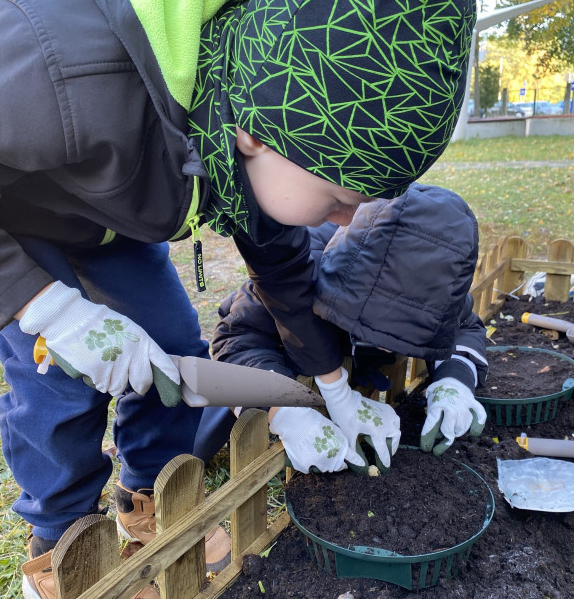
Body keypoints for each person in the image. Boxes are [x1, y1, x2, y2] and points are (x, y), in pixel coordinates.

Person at [0, 0, 476, 599]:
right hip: (15, 221)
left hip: (104, 216)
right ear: (256, 136)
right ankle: (60, 542)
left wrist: (333, 387)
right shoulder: (55, 67)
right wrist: (44, 305)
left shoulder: (255, 112)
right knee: (60, 384)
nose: (346, 223)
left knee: (169, 343)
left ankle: (149, 496)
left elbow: (285, 276)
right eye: (340, 200)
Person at [199, 183, 488, 471]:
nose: (386, 347)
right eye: (374, 328)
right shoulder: (299, 274)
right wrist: (284, 412)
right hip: (282, 361)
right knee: (212, 428)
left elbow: (464, 328)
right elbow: (235, 341)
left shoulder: (439, 300)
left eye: (399, 337)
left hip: (349, 365)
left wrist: (454, 380)